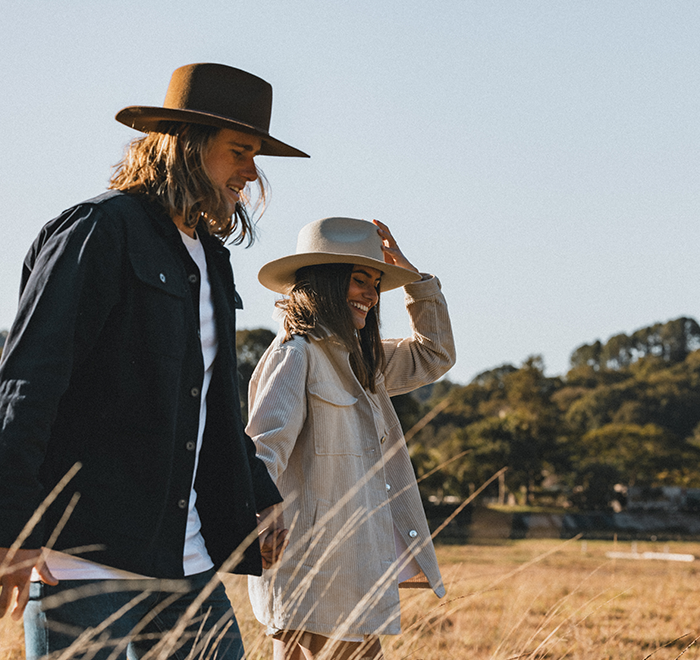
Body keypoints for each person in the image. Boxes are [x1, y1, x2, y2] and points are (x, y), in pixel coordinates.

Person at [0, 62, 308, 660]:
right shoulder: (98, 229)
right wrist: (11, 528)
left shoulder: (211, 260)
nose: (251, 171)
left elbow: (214, 404)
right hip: (82, 561)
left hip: (184, 558)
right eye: (240, 151)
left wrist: (260, 495)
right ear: (189, 146)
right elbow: (27, 384)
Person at [245, 217, 456, 660]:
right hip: (311, 570)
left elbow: (435, 354)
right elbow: (264, 449)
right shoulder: (294, 354)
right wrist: (261, 518)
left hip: (358, 568)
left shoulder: (366, 361)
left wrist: (416, 281)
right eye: (361, 281)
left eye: (377, 284)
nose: (372, 296)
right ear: (325, 282)